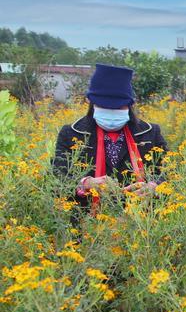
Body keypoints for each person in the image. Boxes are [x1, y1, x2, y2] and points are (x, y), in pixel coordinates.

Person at [52, 64, 167, 213]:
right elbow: (58, 175)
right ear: (92, 104)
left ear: (129, 106)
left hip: (141, 220)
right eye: (104, 106)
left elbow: (170, 172)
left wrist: (154, 186)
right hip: (88, 221)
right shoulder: (71, 133)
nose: (111, 112)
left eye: (119, 107)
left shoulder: (150, 133)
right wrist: (86, 183)